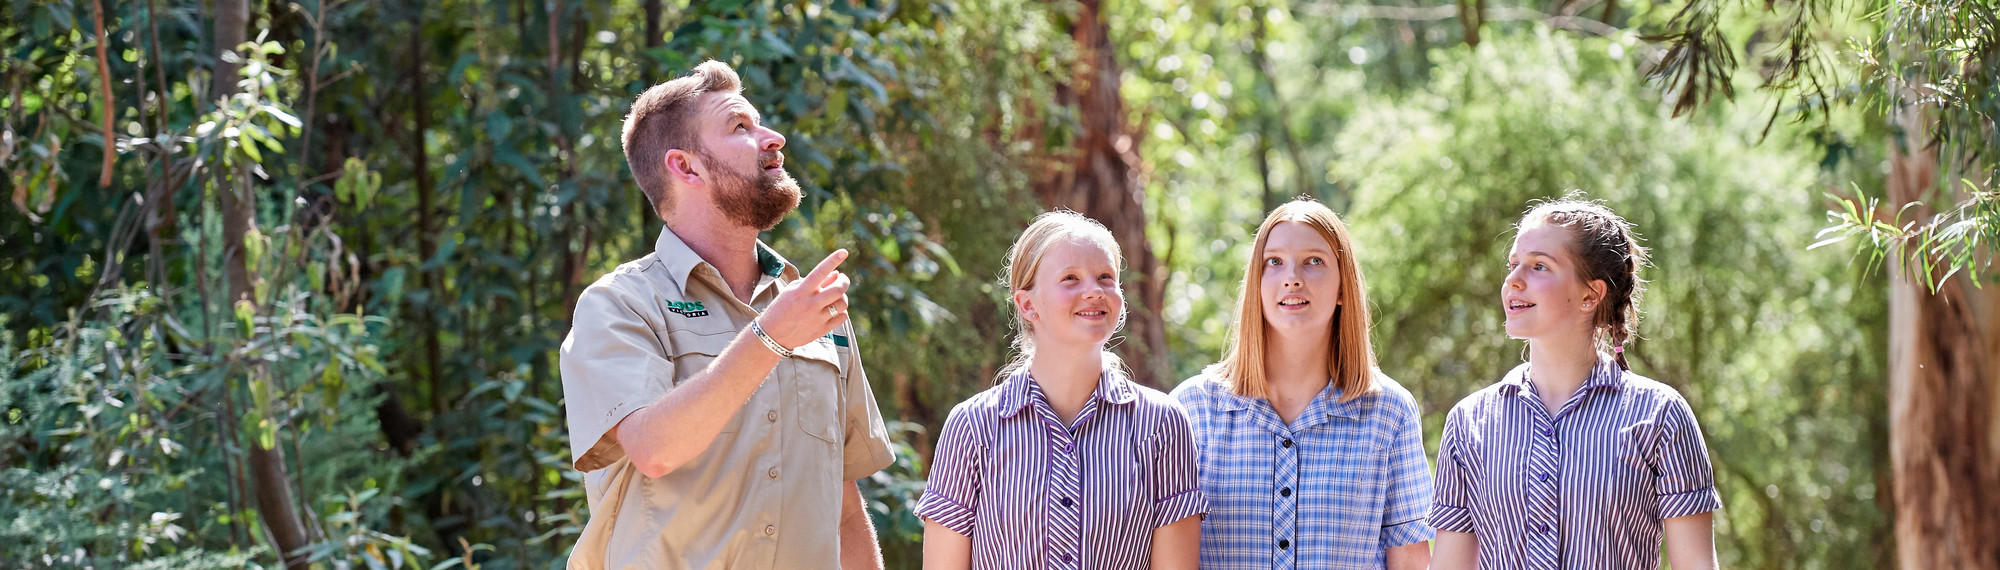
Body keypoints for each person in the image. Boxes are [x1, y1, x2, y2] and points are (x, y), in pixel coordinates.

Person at [559, 60, 896, 570]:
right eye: (741, 127)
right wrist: (772, 336)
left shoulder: (809, 305)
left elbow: (844, 506)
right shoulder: (618, 305)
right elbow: (654, 449)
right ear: (686, 167)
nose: (774, 138)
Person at [1429, 197, 1720, 570]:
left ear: (1590, 295)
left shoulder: (1660, 415)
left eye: (1539, 266)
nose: (1513, 280)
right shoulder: (1468, 421)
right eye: (1513, 264)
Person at [914, 210, 1206, 570]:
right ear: (1027, 304)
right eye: (1071, 278)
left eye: (1105, 277)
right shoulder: (972, 426)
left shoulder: (1162, 424)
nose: (1094, 292)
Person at [1171, 199, 1435, 570]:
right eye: (1274, 262)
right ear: (1257, 286)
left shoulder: (1389, 412)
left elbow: (1410, 561)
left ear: (1344, 288)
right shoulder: (1190, 410)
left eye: (1314, 261)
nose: (1291, 277)